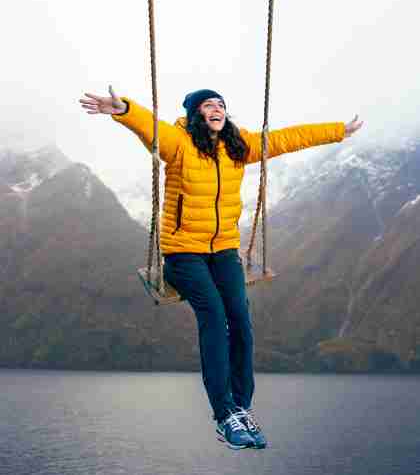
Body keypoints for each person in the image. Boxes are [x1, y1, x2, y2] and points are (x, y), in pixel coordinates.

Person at [79, 86, 364, 450]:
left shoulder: (237, 147)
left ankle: (242, 408)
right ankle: (224, 414)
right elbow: (152, 129)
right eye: (208, 105)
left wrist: (337, 130)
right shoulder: (179, 143)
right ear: (196, 114)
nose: (216, 109)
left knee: (241, 321)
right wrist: (123, 109)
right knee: (213, 316)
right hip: (183, 253)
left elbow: (287, 139)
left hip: (224, 250)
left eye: (221, 105)